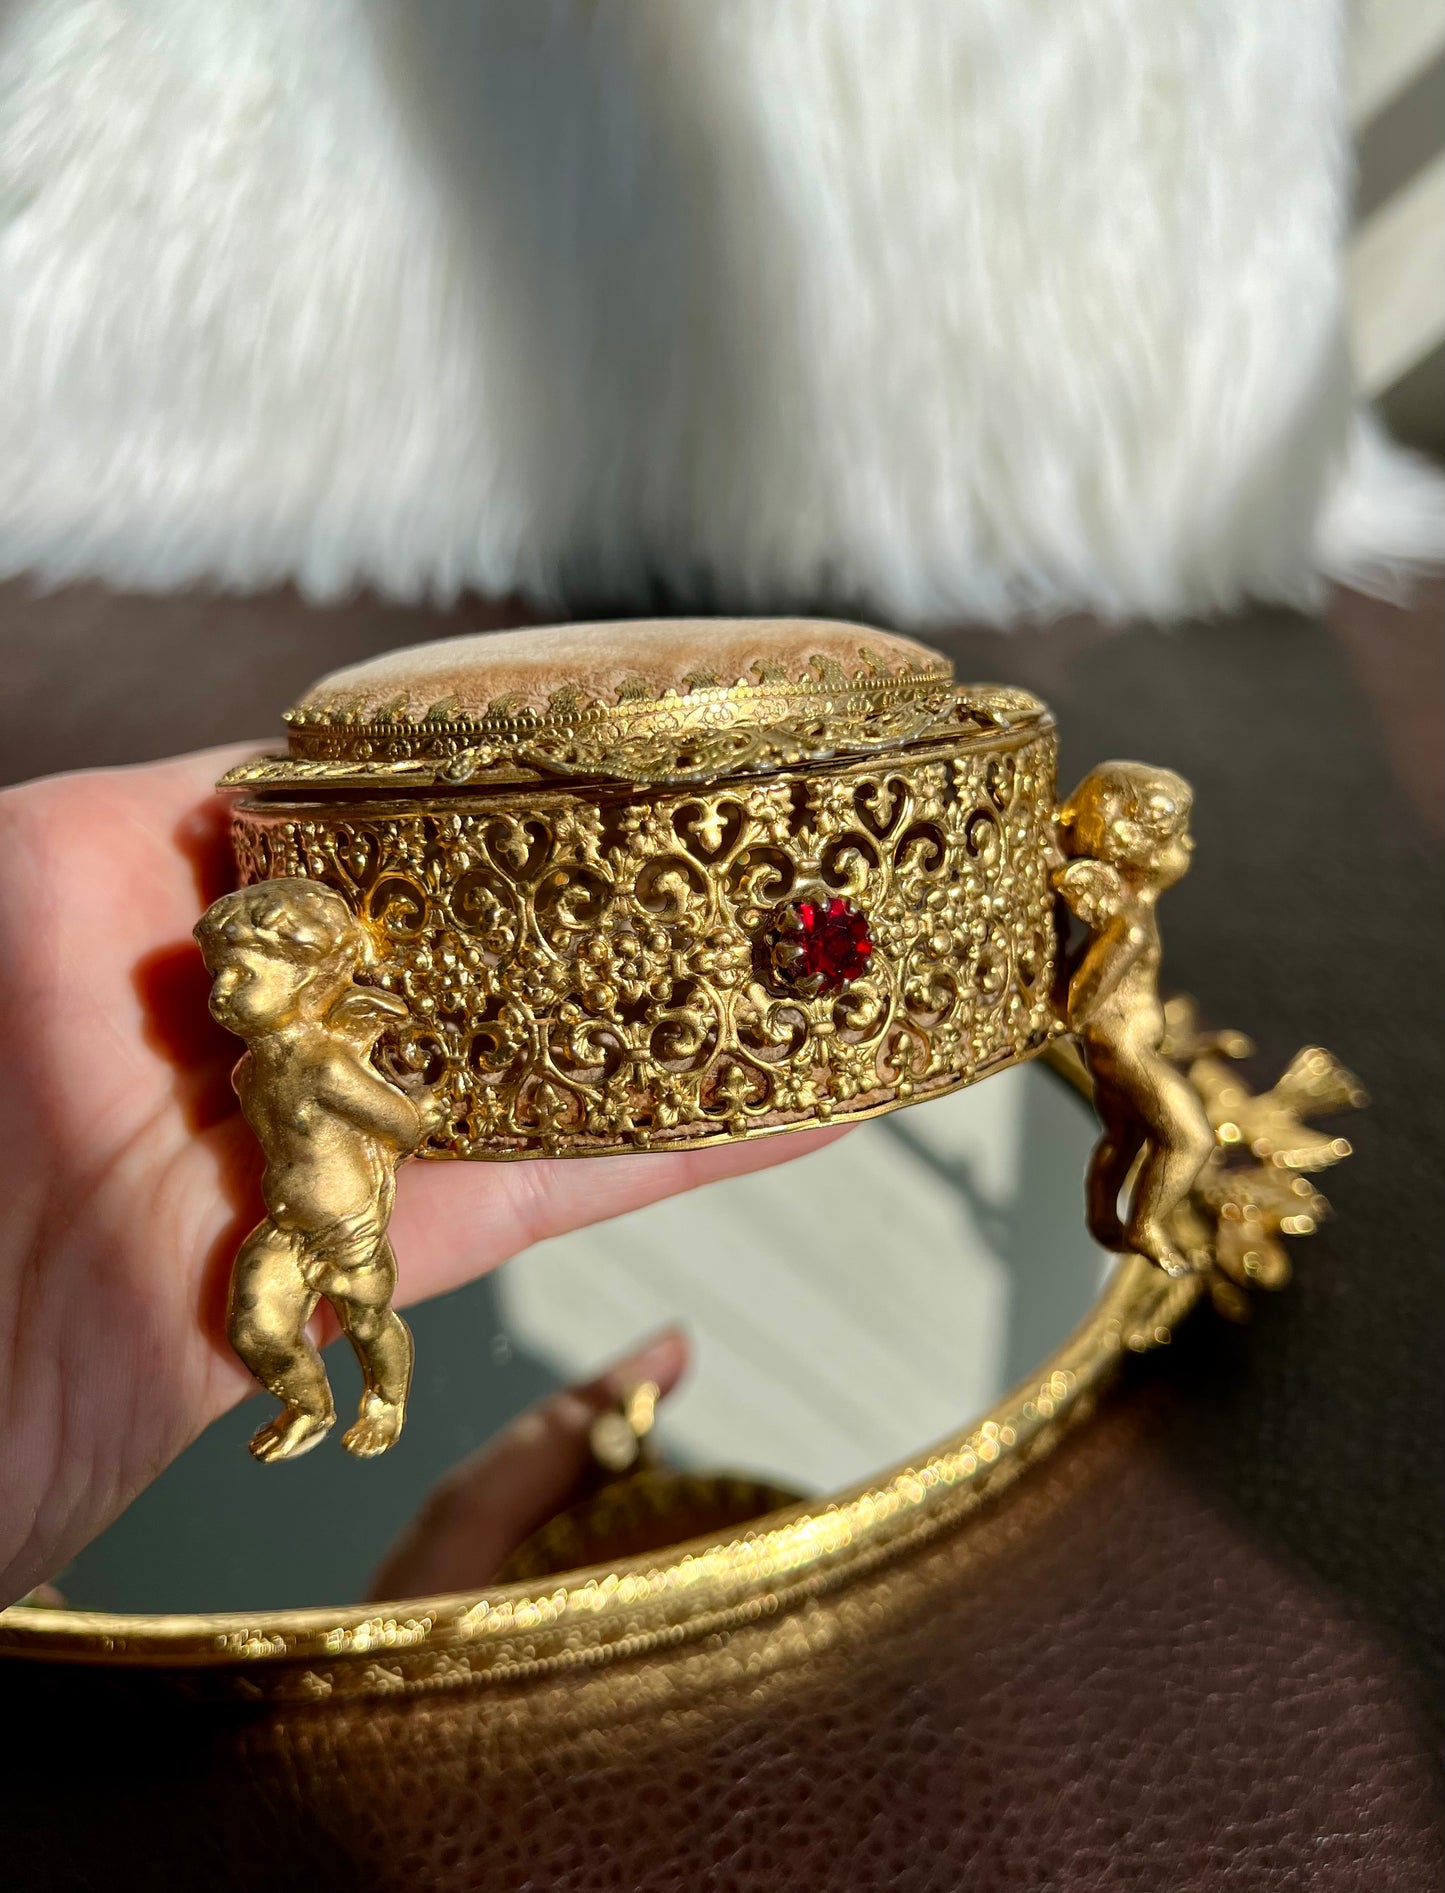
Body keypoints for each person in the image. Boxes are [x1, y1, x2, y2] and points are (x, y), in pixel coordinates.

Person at [0, 746, 838, 1610]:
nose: (221, 992)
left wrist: (407, 1107)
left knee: (367, 1319)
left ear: (311, 979)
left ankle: (386, 1399)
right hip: (287, 1223)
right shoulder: (250, 1073)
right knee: (254, 1322)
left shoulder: (326, 1062)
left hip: (351, 1225)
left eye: (244, 974)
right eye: (219, 974)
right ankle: (309, 1402)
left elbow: (402, 1123)